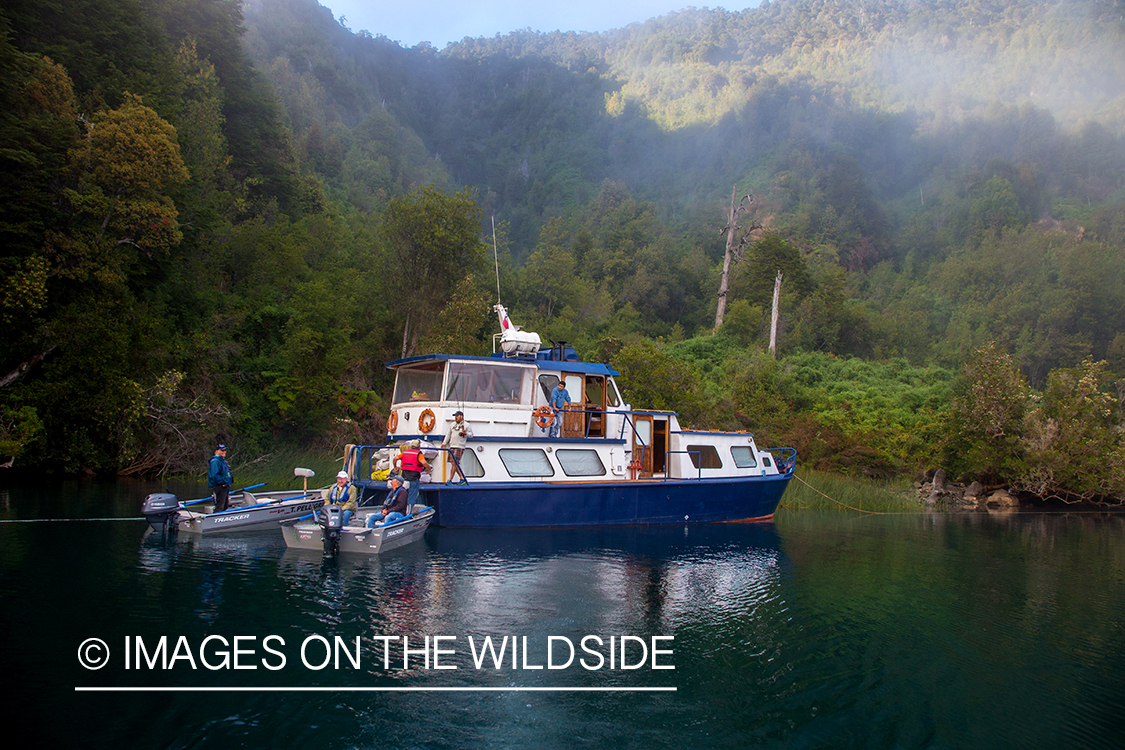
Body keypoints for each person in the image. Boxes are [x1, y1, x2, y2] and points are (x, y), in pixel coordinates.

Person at [395, 439, 430, 508]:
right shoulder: (418, 454)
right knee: (412, 497)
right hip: (413, 478)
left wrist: (395, 467)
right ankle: (408, 514)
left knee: (404, 495)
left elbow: (395, 458)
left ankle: (401, 511)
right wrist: (428, 468)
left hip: (404, 478)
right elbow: (424, 463)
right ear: (419, 446)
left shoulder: (405, 452)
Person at [442, 410, 473, 483]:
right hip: (452, 446)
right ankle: (462, 478)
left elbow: (471, 435)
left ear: (461, 416)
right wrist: (444, 443)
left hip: (459, 446)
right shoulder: (452, 424)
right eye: (455, 416)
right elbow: (448, 434)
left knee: (454, 463)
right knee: (454, 463)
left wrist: (465, 433)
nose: (455, 418)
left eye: (457, 416)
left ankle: (450, 479)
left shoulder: (466, 425)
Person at [208, 443, 233, 513]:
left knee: (225, 505)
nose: (224, 452)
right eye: (222, 450)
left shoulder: (223, 461)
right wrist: (222, 483)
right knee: (220, 506)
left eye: (224, 450)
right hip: (220, 486)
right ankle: (215, 519)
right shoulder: (215, 461)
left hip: (225, 486)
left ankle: (223, 517)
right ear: (216, 451)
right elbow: (214, 475)